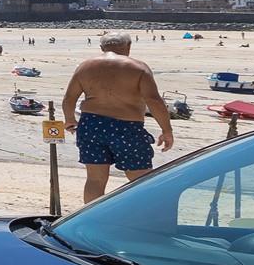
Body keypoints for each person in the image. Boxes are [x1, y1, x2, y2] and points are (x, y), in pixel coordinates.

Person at [63, 31, 174, 204]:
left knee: (95, 180)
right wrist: (166, 130)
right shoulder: (138, 68)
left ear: (101, 48)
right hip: (127, 127)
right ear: (128, 47)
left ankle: (93, 220)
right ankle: (144, 218)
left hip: (91, 125)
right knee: (140, 179)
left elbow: (69, 98)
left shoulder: (85, 67)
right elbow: (154, 101)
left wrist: (69, 120)